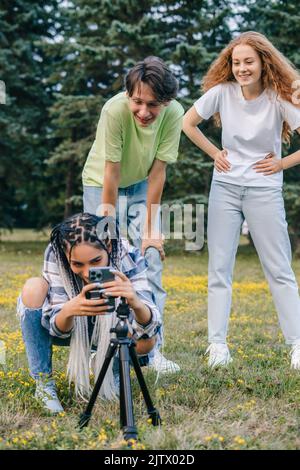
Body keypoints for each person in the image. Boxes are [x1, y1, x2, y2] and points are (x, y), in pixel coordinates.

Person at [183, 31, 300, 368]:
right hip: (225, 189)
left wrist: (280, 163)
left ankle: (296, 345)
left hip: (265, 190)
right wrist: (215, 152)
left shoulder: (279, 99)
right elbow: (187, 124)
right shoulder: (221, 93)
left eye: (249, 61)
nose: (242, 68)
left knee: (279, 270)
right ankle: (217, 346)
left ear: (264, 63)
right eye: (236, 62)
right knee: (219, 269)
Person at [82, 56, 184, 373]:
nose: (143, 111)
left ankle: (151, 352)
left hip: (141, 185)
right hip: (101, 183)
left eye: (152, 104)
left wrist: (151, 231)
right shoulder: (114, 110)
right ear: (128, 96)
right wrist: (107, 230)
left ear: (166, 102)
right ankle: (98, 349)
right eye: (137, 102)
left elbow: (157, 174)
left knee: (150, 260)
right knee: (103, 264)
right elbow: (111, 174)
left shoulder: (174, 114)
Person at [17, 213, 161, 413]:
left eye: (96, 261)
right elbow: (58, 331)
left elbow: (148, 335)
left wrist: (135, 302)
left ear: (108, 246)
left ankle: (114, 374)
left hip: (115, 328)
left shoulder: (128, 255)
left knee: (146, 340)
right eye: (77, 264)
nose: (87, 272)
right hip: (73, 325)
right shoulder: (57, 252)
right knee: (33, 287)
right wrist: (69, 310)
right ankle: (44, 385)